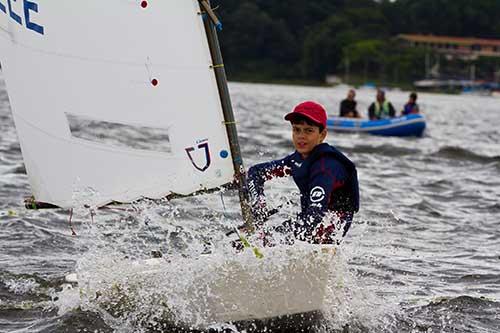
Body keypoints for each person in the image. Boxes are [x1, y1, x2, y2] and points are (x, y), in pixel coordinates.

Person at [246, 101, 359, 244]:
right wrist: (258, 207)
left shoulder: (326, 167)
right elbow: (256, 172)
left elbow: (315, 216)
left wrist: (272, 240)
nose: (301, 136)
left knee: (271, 238)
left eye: (308, 130)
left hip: (330, 225)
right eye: (296, 129)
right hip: (311, 218)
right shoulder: (296, 160)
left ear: (322, 135)